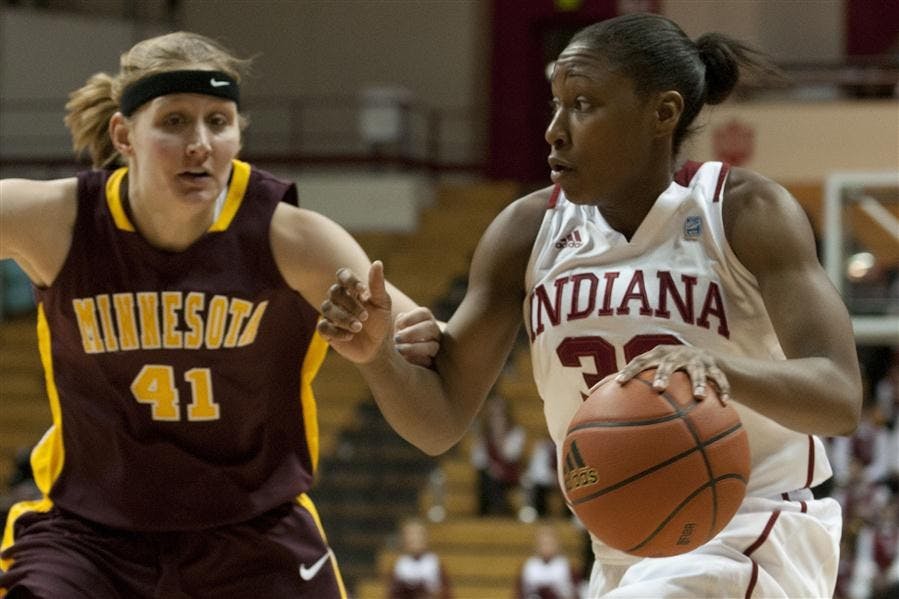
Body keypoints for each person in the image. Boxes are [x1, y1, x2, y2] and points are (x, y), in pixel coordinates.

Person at [318, 12, 863, 598]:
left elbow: (838, 396)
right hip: (623, 547)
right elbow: (438, 422)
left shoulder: (743, 212)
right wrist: (377, 357)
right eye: (556, 103)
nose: (554, 129)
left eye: (583, 104)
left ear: (663, 113)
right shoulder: (524, 233)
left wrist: (719, 369)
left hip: (754, 528)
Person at [0, 31, 440, 598]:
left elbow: (419, 334)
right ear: (123, 134)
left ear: (238, 133)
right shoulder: (59, 220)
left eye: (218, 121)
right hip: (89, 536)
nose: (200, 143)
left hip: (253, 533)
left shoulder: (291, 238)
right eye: (175, 121)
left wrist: (422, 335)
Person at [469, 394, 526, 516]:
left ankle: (501, 510)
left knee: (493, 480)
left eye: (499, 412)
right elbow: (477, 460)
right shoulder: (484, 435)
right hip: (491, 474)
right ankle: (488, 512)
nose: (496, 416)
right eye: (493, 413)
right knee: (486, 478)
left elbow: (511, 456)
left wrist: (499, 436)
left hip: (510, 473)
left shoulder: (516, 432)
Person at [386, 517, 452, 599]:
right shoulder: (399, 566)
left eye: (418, 535)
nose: (414, 539)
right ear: (404, 540)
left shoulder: (435, 564)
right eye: (410, 535)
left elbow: (446, 594)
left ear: (426, 538)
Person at [515, 524, 582, 599]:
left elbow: (577, 592)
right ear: (537, 545)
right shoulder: (529, 567)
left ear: (557, 544)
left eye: (550, 543)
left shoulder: (567, 568)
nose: (546, 547)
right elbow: (519, 594)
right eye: (543, 543)